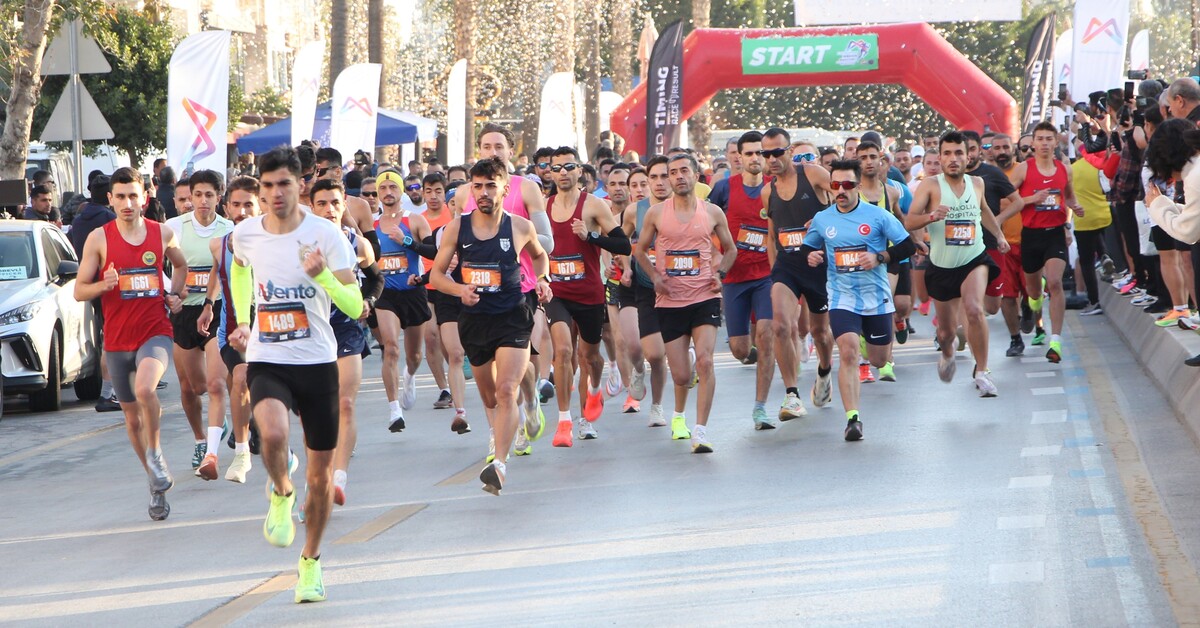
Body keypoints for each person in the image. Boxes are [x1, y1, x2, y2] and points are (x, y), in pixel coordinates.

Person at [227, 146, 364, 603]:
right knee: (271, 434)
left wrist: (323, 276)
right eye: (266, 186)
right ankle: (282, 491)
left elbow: (355, 306)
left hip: (318, 362)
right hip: (269, 357)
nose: (274, 194)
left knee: (321, 479)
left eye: (283, 184)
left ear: (300, 184)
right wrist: (244, 318)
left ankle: (310, 562)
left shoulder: (326, 234)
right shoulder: (246, 234)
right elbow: (240, 268)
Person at [429, 157, 552, 494]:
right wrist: (459, 290)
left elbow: (541, 256)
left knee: (505, 389)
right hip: (475, 320)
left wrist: (540, 280)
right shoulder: (458, 228)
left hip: (513, 314)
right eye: (478, 186)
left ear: (505, 188)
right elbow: (436, 276)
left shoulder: (520, 227)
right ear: (471, 189)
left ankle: (499, 465)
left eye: (490, 186)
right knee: (489, 395)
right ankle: (529, 402)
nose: (483, 192)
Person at [74, 166, 188, 520]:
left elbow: (181, 267)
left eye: (133, 196)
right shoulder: (99, 238)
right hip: (118, 341)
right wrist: (103, 285)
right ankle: (154, 484)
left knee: (145, 390)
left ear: (145, 198)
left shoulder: (162, 233)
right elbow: (80, 290)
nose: (127, 203)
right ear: (110, 199)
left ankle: (155, 452)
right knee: (131, 420)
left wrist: (176, 294)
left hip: (154, 331)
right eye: (120, 196)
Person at [801, 159, 915, 441]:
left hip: (876, 297)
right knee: (849, 351)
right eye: (835, 185)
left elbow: (907, 245)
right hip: (842, 297)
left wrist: (880, 257)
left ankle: (880, 346)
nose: (841, 190)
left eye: (848, 185)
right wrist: (811, 255)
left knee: (879, 359)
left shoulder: (876, 216)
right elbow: (807, 246)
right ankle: (853, 419)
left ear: (858, 186)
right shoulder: (823, 218)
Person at [633, 153, 737, 453]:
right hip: (670, 301)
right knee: (681, 375)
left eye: (683, 171)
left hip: (705, 296)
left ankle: (701, 430)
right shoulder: (655, 213)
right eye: (671, 173)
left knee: (706, 361)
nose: (677, 177)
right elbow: (640, 251)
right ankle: (683, 389)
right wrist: (654, 276)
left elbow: (730, 250)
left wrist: (720, 274)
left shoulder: (713, 212)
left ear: (696, 176)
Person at [905, 131, 1008, 396]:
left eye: (959, 153)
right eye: (948, 153)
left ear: (968, 155)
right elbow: (910, 221)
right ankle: (948, 352)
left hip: (974, 258)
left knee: (974, 309)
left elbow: (984, 210)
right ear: (939, 158)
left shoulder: (977, 183)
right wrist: (930, 216)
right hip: (941, 266)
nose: (953, 159)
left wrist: (998, 235)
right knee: (947, 332)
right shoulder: (930, 186)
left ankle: (983, 371)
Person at [544, 147, 630, 446]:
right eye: (557, 168)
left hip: (590, 293)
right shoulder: (543, 208)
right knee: (564, 352)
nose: (563, 172)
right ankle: (567, 420)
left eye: (569, 166)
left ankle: (594, 390)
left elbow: (623, 245)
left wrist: (590, 236)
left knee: (589, 357)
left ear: (580, 170)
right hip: (557, 294)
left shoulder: (593, 206)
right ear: (549, 172)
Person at [310, 178, 384, 507]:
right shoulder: (301, 245)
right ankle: (317, 476)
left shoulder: (357, 243)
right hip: (309, 333)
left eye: (334, 203)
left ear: (344, 207)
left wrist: (368, 301)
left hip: (345, 329)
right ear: (311, 207)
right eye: (322, 203)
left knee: (346, 404)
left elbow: (377, 279)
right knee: (314, 413)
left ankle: (337, 478)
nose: (329, 209)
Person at [762, 127, 836, 421]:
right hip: (787, 267)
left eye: (777, 152)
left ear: (789, 151)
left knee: (820, 332)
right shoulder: (768, 191)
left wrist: (824, 220)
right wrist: (773, 271)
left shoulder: (814, 174)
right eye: (766, 154)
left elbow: (847, 199)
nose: (772, 159)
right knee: (781, 326)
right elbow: (771, 235)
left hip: (818, 264)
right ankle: (792, 395)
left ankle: (825, 370)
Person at [165, 170, 235, 478]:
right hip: (184, 314)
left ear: (219, 197)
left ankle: (212, 446)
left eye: (209, 195)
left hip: (217, 309)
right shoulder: (173, 228)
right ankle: (199, 436)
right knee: (192, 387)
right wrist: (171, 295)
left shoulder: (229, 229)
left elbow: (232, 272)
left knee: (217, 383)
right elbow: (158, 267)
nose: (203, 201)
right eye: (197, 195)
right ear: (188, 198)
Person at [998, 121, 1085, 363]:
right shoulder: (1023, 170)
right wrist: (1030, 199)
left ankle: (1055, 341)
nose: (1045, 143)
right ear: (1033, 143)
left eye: (1049, 139)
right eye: (1040, 139)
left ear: (1056, 142)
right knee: (1034, 291)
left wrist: (1073, 210)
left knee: (1055, 282)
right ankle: (1032, 304)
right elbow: (1006, 200)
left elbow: (1068, 197)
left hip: (1055, 233)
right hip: (1031, 235)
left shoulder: (1064, 169)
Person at [197, 176, 261, 484]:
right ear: (227, 207)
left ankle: (275, 445)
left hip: (272, 331)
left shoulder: (274, 242)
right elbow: (217, 272)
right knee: (239, 379)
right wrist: (208, 304)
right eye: (236, 204)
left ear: (260, 205)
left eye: (249, 203)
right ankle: (241, 453)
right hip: (232, 330)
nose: (242, 211)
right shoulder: (217, 244)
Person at [717, 131, 778, 429]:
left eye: (761, 153)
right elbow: (706, 224)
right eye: (750, 153)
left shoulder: (776, 188)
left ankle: (760, 408)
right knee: (740, 350)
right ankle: (753, 353)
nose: (756, 158)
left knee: (767, 335)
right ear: (738, 157)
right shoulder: (723, 190)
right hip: (734, 278)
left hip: (767, 276)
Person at [373, 170, 434, 432]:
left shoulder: (415, 220)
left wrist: (406, 240)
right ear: (378, 193)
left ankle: (409, 376)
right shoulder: (371, 226)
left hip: (412, 291)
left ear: (402, 191)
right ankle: (394, 410)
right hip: (385, 294)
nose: (388, 191)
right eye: (383, 187)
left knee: (414, 355)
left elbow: (433, 251)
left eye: (393, 187)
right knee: (391, 348)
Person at [621, 164, 671, 429]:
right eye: (654, 177)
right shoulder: (634, 211)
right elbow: (620, 242)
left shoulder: (689, 208)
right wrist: (625, 266)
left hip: (679, 289)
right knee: (653, 354)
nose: (660, 182)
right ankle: (640, 372)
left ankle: (657, 406)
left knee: (667, 355)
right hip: (645, 286)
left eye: (666, 176)